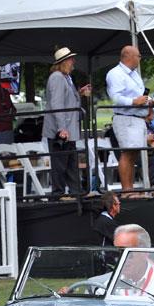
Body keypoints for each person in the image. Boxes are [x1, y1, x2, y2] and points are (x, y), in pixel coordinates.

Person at [107, 45, 154, 193]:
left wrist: (151, 101)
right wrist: (133, 102)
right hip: (126, 118)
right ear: (128, 56)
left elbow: (141, 95)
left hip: (138, 118)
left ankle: (131, 189)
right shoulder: (115, 73)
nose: (140, 59)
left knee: (133, 154)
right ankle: (127, 190)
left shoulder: (134, 74)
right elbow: (115, 97)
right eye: (138, 56)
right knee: (127, 153)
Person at [42, 47, 91, 197]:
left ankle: (75, 193)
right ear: (63, 62)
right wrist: (61, 128)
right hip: (62, 131)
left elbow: (65, 99)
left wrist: (79, 93)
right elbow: (57, 103)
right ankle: (59, 194)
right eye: (70, 59)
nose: (73, 62)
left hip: (68, 129)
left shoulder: (65, 77)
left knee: (70, 163)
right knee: (61, 164)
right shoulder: (57, 77)